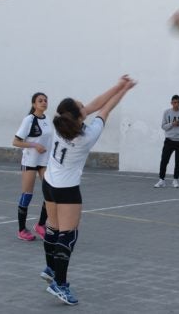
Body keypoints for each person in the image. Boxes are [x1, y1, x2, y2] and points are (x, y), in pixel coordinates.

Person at [40, 75, 136, 305]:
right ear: (79, 115)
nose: (86, 105)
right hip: (67, 190)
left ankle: (50, 268)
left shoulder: (57, 123)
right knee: (68, 234)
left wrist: (118, 85)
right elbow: (106, 108)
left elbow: (94, 105)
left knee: (52, 228)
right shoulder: (86, 136)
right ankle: (60, 285)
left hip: (49, 183)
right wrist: (124, 90)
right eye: (82, 105)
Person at [12, 92, 53, 241]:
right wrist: (34, 144)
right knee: (27, 195)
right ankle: (22, 230)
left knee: (51, 192)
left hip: (44, 162)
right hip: (30, 161)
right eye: (40, 101)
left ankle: (41, 225)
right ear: (34, 104)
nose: (44, 102)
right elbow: (15, 142)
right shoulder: (29, 120)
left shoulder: (48, 119)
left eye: (45, 100)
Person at [154, 94, 179, 188]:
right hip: (169, 140)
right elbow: (163, 126)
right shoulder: (167, 112)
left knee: (178, 162)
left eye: (178, 102)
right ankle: (161, 180)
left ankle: (175, 180)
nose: (176, 104)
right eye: (174, 102)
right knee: (164, 160)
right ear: (171, 103)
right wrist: (172, 124)